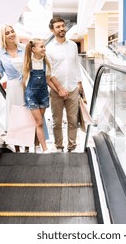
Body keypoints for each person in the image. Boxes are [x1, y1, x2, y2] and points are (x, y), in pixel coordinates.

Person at [46, 17, 83, 152]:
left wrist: (80, 84)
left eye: (62, 26)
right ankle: (59, 146)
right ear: (52, 30)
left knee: (73, 121)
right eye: (58, 27)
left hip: (73, 88)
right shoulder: (48, 49)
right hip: (56, 91)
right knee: (57, 122)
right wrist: (59, 89)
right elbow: (49, 73)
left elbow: (76, 65)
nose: (61, 29)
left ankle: (72, 147)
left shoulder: (73, 45)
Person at [22, 39, 63, 153]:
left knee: (38, 122)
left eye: (44, 46)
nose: (44, 49)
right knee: (39, 122)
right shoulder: (28, 63)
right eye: (41, 47)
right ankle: (45, 149)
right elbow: (24, 82)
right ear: (34, 49)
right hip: (32, 95)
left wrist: (58, 91)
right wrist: (25, 97)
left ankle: (36, 145)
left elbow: (48, 80)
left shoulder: (46, 62)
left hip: (43, 94)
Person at [0, 24, 26, 151]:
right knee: (15, 117)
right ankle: (17, 148)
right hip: (13, 87)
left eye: (12, 31)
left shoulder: (24, 48)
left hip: (27, 85)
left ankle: (28, 147)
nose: (11, 34)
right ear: (3, 37)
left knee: (28, 115)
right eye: (7, 33)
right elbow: (0, 72)